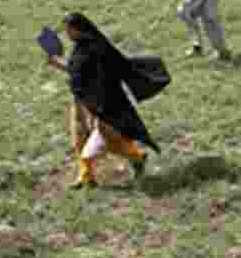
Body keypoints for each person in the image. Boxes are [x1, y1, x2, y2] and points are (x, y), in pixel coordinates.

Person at [47, 12, 161, 189]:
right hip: (82, 100)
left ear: (78, 30)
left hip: (102, 102)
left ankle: (137, 157)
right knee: (79, 136)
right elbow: (77, 70)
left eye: (69, 30)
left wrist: (96, 106)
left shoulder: (96, 48)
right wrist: (58, 63)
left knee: (109, 140)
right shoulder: (81, 46)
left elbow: (97, 76)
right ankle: (86, 177)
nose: (66, 35)